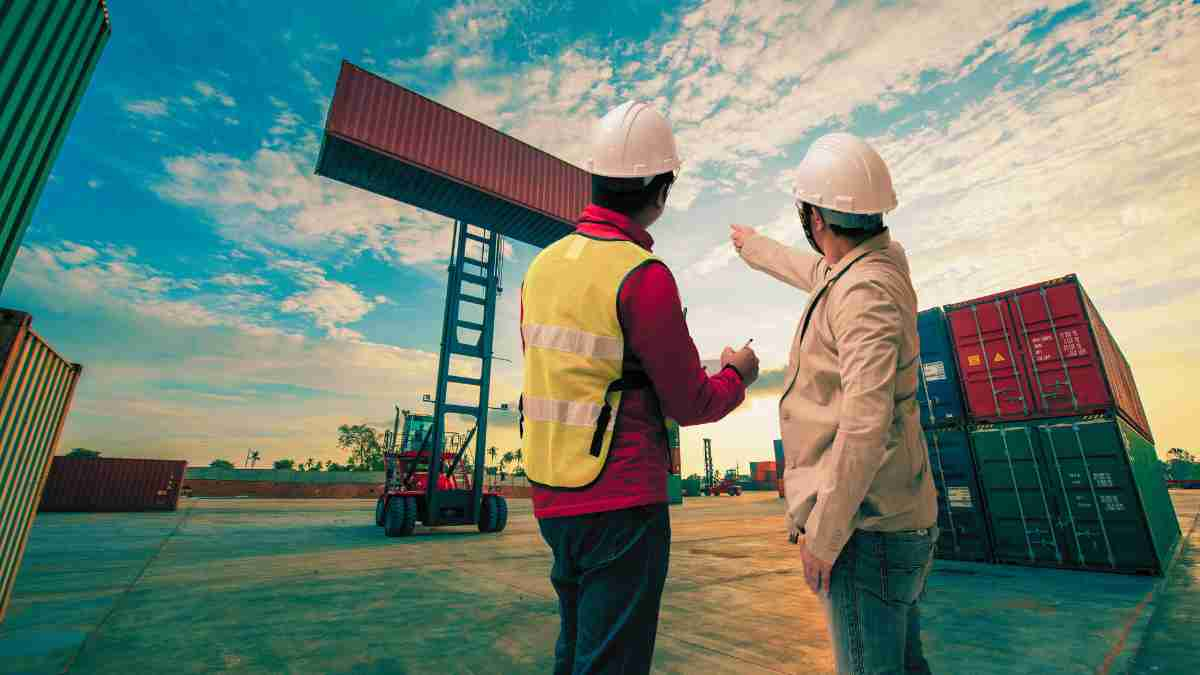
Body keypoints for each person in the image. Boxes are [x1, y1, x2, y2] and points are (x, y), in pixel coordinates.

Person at [521, 100, 759, 675]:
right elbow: (690, 402)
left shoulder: (542, 270)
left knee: (576, 651)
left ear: (596, 177)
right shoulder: (641, 275)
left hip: (553, 497)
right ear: (661, 188)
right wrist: (738, 375)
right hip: (621, 502)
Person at [730, 132, 939, 674]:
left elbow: (865, 425)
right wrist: (754, 247)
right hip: (894, 525)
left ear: (817, 220)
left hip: (865, 536)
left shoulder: (864, 296)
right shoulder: (874, 265)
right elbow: (813, 270)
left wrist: (823, 538)